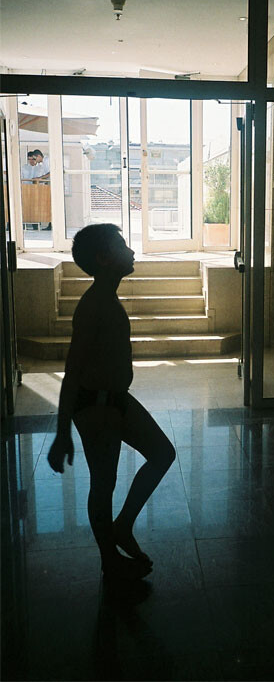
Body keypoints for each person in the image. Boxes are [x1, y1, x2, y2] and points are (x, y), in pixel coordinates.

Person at [47, 224, 176, 579]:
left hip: (115, 400)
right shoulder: (93, 306)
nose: (131, 251)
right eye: (122, 245)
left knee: (162, 454)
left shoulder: (106, 297)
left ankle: (122, 527)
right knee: (103, 484)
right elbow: (72, 372)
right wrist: (62, 433)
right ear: (104, 259)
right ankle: (110, 560)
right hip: (96, 407)